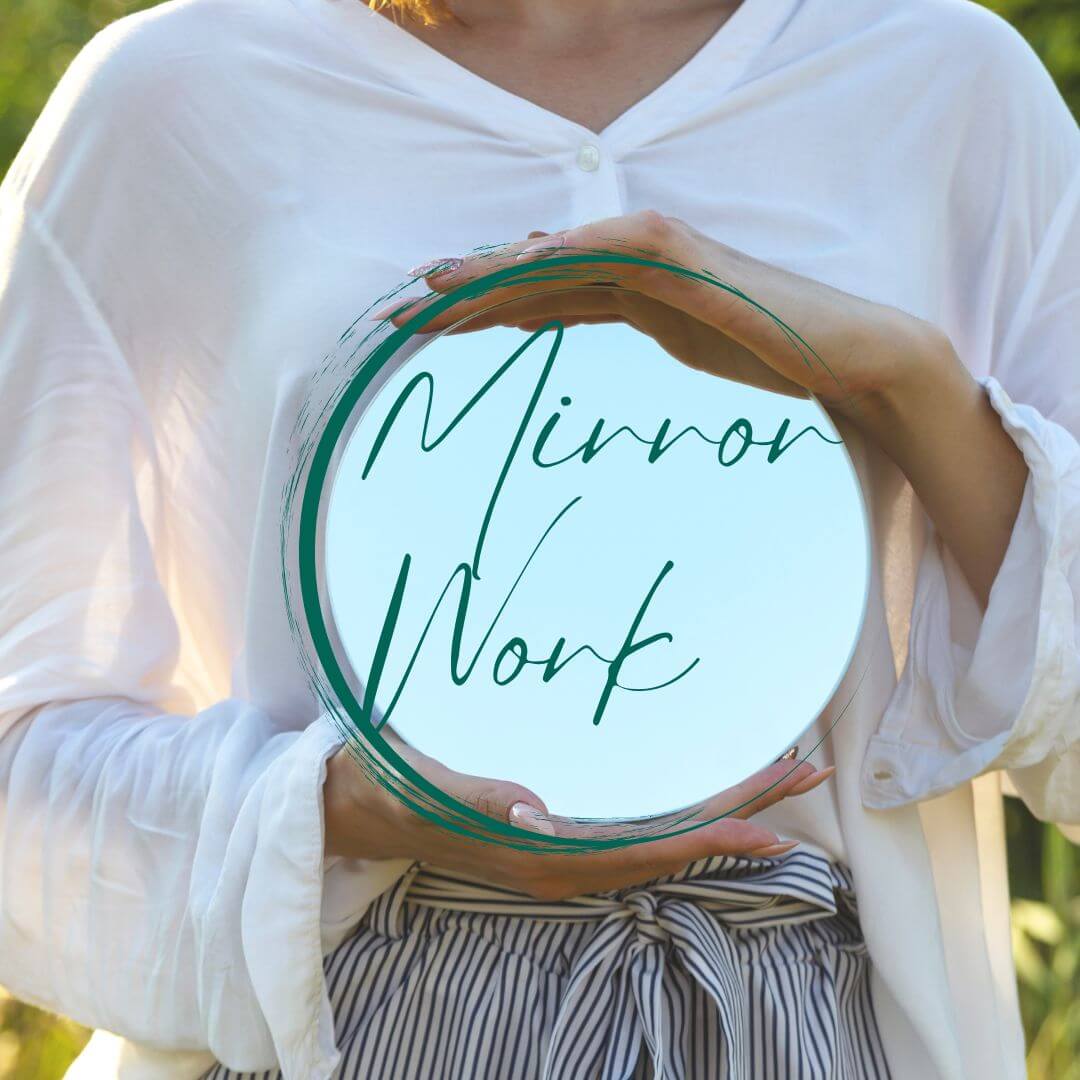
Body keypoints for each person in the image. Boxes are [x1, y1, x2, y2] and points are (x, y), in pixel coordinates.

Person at [0, 0, 1077, 1077]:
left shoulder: (944, 78)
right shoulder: (179, 90)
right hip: (344, 1024)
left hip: (822, 1027)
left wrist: (906, 383)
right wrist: (336, 809)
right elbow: (19, 745)